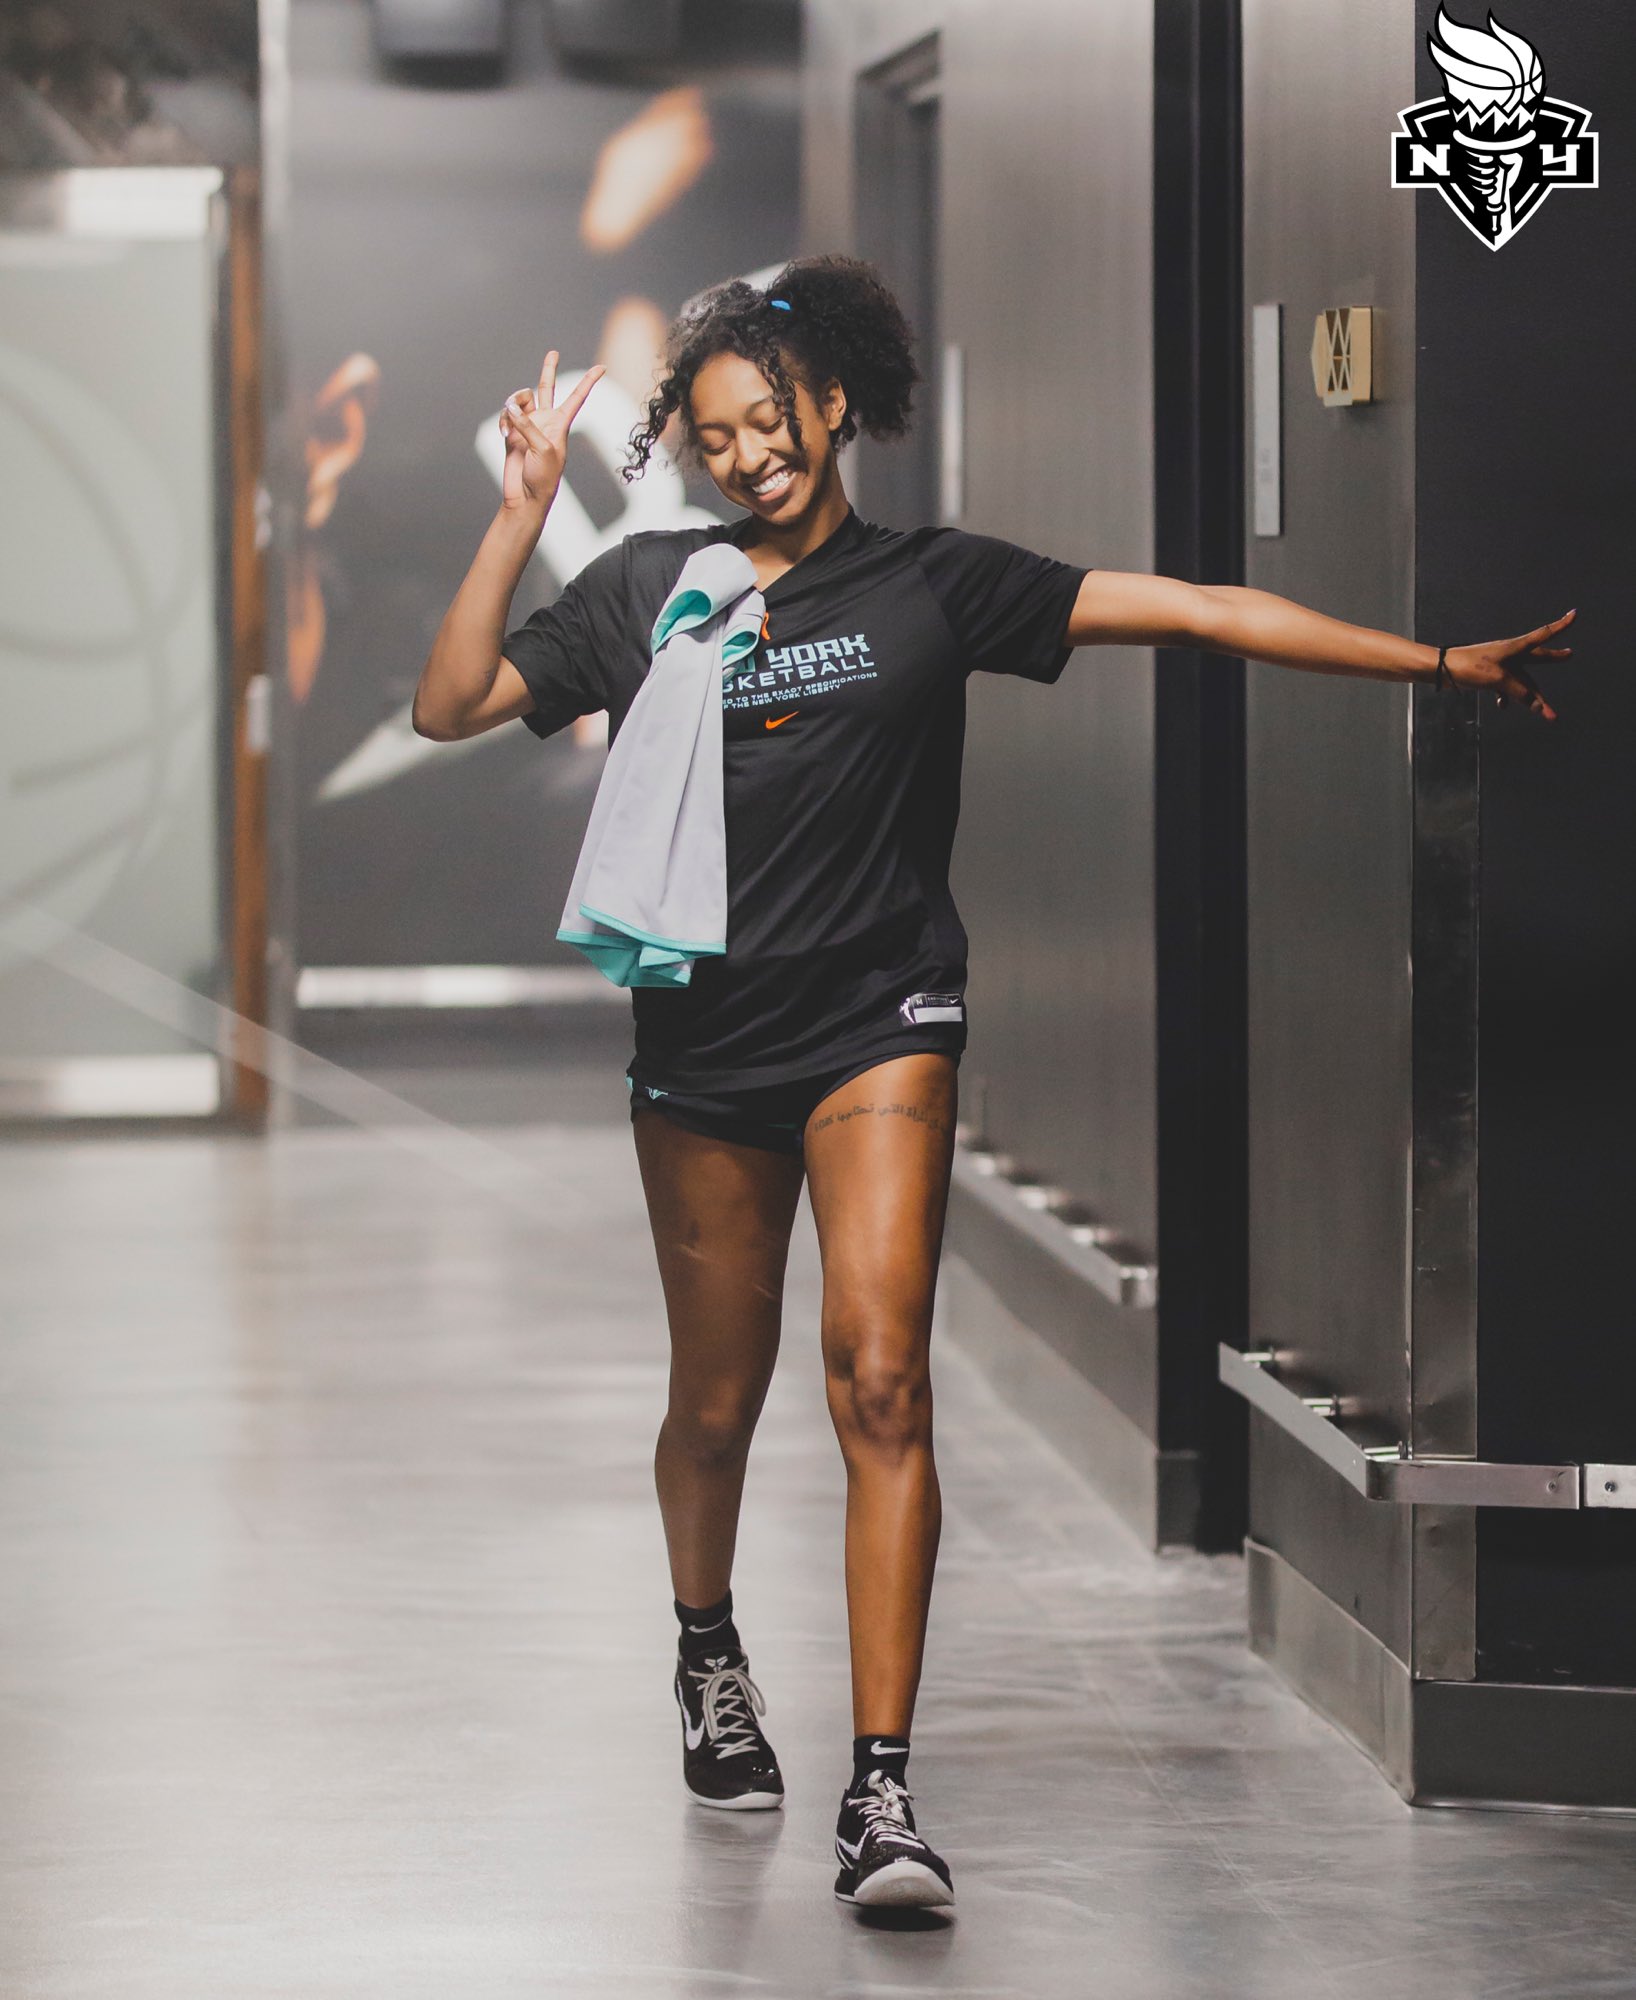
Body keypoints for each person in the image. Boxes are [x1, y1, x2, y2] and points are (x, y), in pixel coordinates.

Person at [411, 253, 1573, 1915]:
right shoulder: (651, 589)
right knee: (717, 1403)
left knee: (882, 1379)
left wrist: (1431, 664)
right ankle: (707, 1650)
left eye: (769, 421)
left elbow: (1194, 610)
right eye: (715, 436)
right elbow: (450, 703)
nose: (748, 456)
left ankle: (882, 1792)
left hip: (882, 1017)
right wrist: (525, 507)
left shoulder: (935, 586)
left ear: (833, 406)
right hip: (707, 1048)